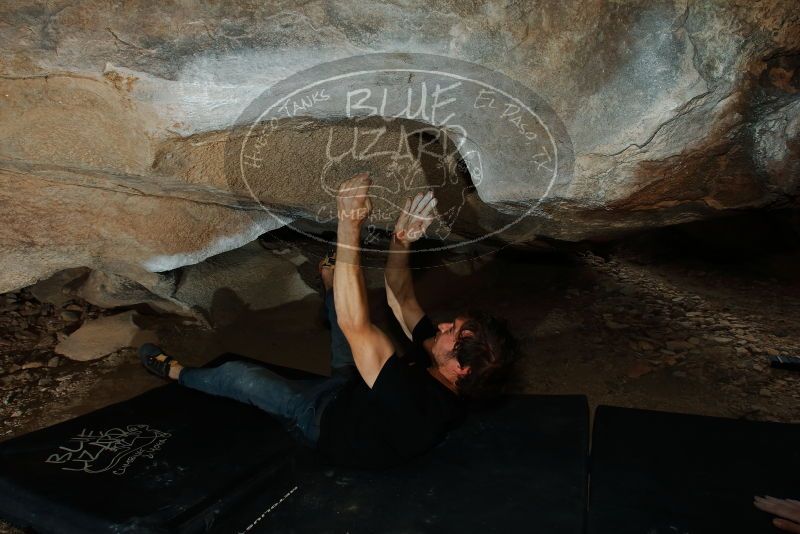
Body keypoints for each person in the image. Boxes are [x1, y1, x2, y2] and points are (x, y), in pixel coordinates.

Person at [139, 172, 518, 468]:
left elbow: (359, 326)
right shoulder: (442, 366)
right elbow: (400, 298)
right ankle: (333, 287)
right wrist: (401, 241)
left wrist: (349, 227)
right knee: (349, 325)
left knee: (239, 376)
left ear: (462, 370)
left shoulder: (417, 404)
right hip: (356, 388)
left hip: (322, 420)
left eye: (452, 333)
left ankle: (175, 373)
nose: (442, 326)